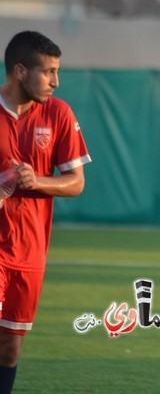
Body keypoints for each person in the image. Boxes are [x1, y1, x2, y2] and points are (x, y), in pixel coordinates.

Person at [0, 31, 91, 393]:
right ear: (20, 71)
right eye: (49, 71)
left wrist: (35, 181)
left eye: (58, 71)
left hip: (30, 252)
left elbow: (75, 181)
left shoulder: (59, 113)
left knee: (9, 348)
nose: (56, 81)